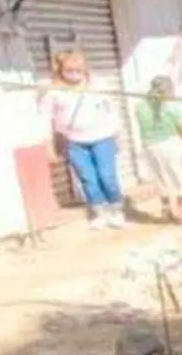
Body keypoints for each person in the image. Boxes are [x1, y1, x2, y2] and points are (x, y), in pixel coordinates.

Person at [39, 50, 128, 230]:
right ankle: (99, 213)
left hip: (102, 137)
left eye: (78, 70)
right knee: (88, 179)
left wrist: (119, 134)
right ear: (60, 71)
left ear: (85, 69)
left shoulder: (97, 85)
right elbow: (44, 119)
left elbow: (112, 110)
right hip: (74, 142)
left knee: (107, 176)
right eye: (69, 71)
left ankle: (116, 209)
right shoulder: (54, 92)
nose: (74, 75)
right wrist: (49, 145)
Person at [137, 75, 182, 223]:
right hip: (170, 144)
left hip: (150, 147)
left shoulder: (140, 106)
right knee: (181, 179)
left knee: (162, 179)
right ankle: (181, 214)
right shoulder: (171, 106)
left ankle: (167, 209)